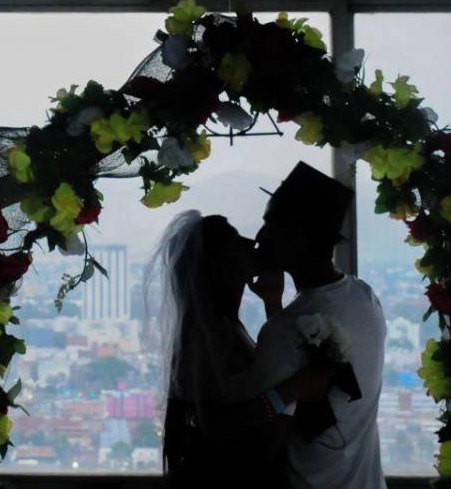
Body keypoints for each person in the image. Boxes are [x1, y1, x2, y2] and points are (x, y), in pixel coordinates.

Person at [144, 210, 333, 489]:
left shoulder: (222, 325)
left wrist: (272, 303)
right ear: (219, 264)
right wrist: (292, 390)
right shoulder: (208, 333)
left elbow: (265, 371)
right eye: (235, 240)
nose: (250, 243)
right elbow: (217, 425)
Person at [243, 161, 388, 489]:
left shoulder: (283, 330)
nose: (260, 236)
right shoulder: (366, 300)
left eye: (271, 225)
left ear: (299, 237)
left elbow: (263, 445)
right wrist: (273, 304)